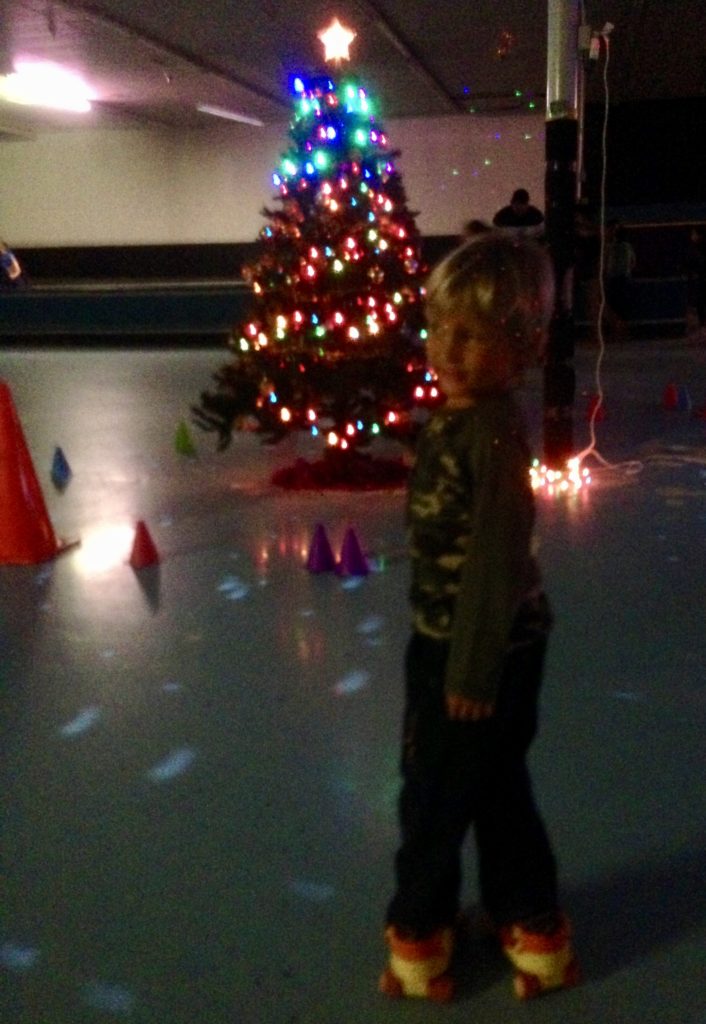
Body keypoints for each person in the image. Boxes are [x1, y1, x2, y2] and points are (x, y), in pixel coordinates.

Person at [379, 234, 580, 1003]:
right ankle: (530, 920)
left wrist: (467, 671)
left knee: (433, 791)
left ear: (521, 347)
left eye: (474, 334)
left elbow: (496, 564)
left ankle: (421, 930)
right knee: (494, 785)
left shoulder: (491, 436)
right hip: (467, 641)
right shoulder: (463, 420)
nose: (450, 348)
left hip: (474, 652)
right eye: (440, 327)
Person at [602, 221, 636, 339]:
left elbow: (606, 263)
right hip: (625, 278)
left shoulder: (610, 247)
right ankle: (622, 332)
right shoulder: (628, 247)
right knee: (623, 306)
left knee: (613, 304)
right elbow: (633, 262)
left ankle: (616, 331)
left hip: (613, 278)